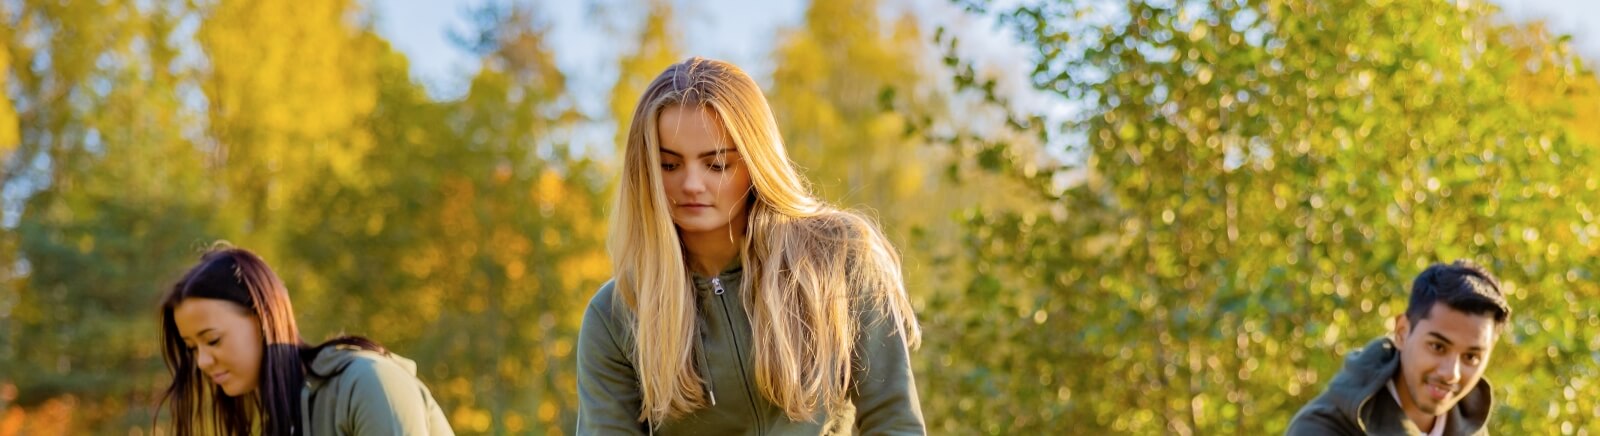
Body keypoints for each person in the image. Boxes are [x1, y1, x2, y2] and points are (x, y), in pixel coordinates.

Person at [576, 57, 925, 435]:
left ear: (755, 162)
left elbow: (894, 422)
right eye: (669, 165)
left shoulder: (839, 259)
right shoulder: (615, 315)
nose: (691, 185)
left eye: (716, 164)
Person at [157, 246, 453, 435]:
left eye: (212, 340)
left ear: (262, 318)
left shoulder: (368, 383)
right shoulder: (283, 419)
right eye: (192, 348)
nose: (202, 362)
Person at [1288, 260, 1511, 435]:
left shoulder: (1471, 428)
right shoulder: (1321, 428)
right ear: (1402, 332)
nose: (1451, 373)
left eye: (1471, 357)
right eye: (1437, 347)